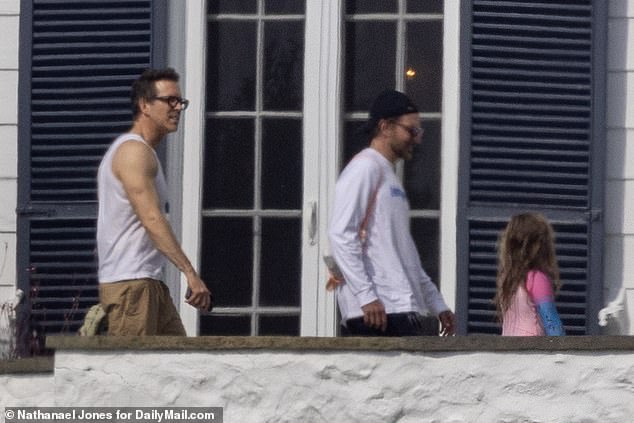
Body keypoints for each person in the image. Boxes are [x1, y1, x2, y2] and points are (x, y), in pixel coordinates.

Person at [328, 89, 456, 336]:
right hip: (377, 313)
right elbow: (341, 234)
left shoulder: (389, 178)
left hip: (398, 308)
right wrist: (366, 297)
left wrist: (436, 303)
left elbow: (403, 251)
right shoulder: (365, 168)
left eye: (418, 131)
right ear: (385, 127)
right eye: (411, 130)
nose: (417, 139)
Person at [96, 68, 211, 335]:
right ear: (144, 105)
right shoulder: (133, 152)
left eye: (180, 102)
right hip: (132, 288)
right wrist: (190, 274)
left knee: (178, 369)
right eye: (169, 100)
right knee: (133, 374)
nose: (177, 108)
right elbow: (151, 218)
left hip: (148, 284)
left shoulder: (143, 153)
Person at [494, 212, 565, 336]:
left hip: (508, 347)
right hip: (532, 348)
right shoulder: (537, 278)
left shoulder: (507, 280)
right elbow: (552, 323)